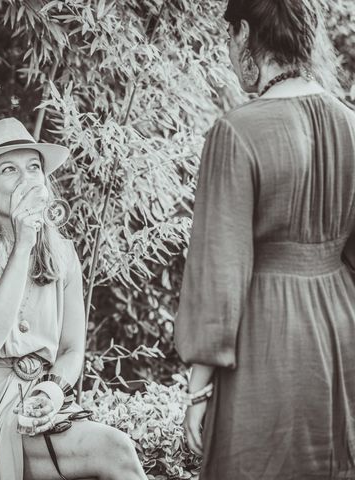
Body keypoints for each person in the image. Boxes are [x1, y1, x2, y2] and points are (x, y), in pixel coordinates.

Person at [175, 1, 355, 478]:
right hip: (344, 332)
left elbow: (221, 270)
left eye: (228, 41)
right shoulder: (352, 125)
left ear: (243, 33)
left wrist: (198, 390)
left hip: (268, 334)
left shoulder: (236, 133)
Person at [0, 117, 146, 480]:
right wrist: (24, 242)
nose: (27, 179)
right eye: (9, 169)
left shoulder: (63, 253)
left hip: (40, 401)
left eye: (34, 168)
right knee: (113, 450)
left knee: (115, 450)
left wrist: (53, 390)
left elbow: (73, 350)